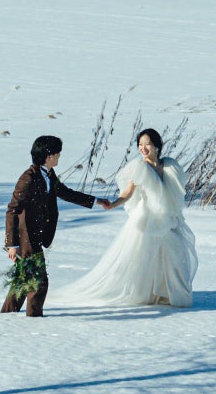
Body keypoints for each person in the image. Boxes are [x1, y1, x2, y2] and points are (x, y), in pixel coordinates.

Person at [55, 128, 197, 309]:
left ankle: (170, 294)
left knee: (175, 256)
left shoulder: (169, 166)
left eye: (147, 144)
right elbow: (128, 193)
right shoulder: (140, 167)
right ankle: (147, 293)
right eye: (140, 145)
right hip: (147, 220)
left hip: (168, 219)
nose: (143, 148)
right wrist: (113, 204)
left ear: (156, 146)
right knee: (145, 257)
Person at [1, 134, 106, 316]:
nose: (59, 157)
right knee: (38, 282)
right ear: (49, 156)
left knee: (24, 279)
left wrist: (96, 201)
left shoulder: (48, 174)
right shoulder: (28, 178)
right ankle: (34, 319)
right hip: (26, 238)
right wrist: (12, 244)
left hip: (36, 235)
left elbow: (65, 193)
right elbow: (12, 210)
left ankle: (7, 316)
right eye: (58, 154)